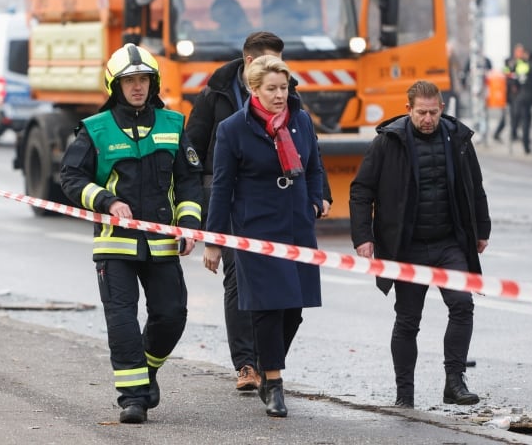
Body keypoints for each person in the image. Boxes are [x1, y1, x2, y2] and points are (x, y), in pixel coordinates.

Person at [59, 44, 203, 424]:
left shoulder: (173, 124)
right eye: (129, 81)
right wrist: (106, 201)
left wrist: (189, 224)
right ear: (115, 85)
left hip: (162, 243)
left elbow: (189, 182)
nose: (137, 87)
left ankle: (147, 370)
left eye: (143, 79)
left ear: (152, 83)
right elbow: (71, 178)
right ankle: (132, 399)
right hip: (115, 245)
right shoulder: (95, 129)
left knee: (171, 315)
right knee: (121, 321)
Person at [185, 31, 331, 393]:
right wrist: (213, 234)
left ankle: (269, 361)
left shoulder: (298, 115)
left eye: (284, 86)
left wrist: (317, 197)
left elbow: (313, 162)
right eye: (273, 87)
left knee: (292, 306)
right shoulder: (218, 103)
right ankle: (252, 366)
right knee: (248, 291)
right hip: (247, 217)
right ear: (253, 76)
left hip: (294, 220)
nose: (281, 93)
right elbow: (201, 161)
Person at [349, 80, 491, 409]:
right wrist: (364, 237)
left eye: (433, 112)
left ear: (441, 108)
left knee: (462, 305)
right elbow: (361, 191)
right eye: (421, 112)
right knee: (408, 320)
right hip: (407, 247)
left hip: (448, 244)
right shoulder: (388, 142)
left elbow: (475, 186)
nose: (428, 119)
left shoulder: (458, 139)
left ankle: (454, 382)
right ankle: (405, 394)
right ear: (408, 109)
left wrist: (481, 229)